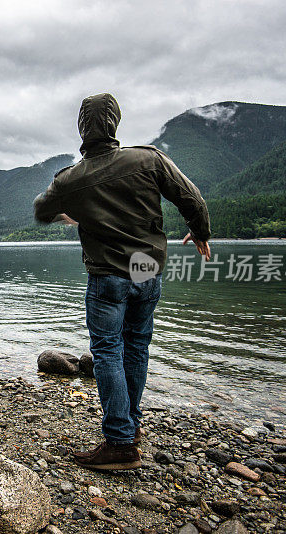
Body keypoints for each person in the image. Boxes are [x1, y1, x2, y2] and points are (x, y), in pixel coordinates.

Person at [33, 93, 211, 471]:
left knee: (108, 350)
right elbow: (191, 197)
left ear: (82, 128)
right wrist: (200, 232)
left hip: (108, 274)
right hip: (145, 268)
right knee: (137, 345)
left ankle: (119, 440)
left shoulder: (70, 179)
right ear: (115, 123)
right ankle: (131, 427)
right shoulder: (147, 158)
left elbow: (41, 209)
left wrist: (74, 213)